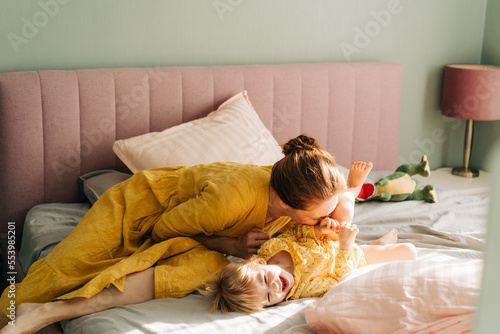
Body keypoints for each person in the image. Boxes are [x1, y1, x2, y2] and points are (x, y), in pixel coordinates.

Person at [0, 134, 370, 334]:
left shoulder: (293, 191)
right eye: (320, 214)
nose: (325, 217)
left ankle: (53, 313)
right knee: (60, 273)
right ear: (292, 205)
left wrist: (348, 195)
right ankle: (29, 308)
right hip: (141, 211)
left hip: (192, 234)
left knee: (202, 270)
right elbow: (164, 229)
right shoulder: (232, 197)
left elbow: (342, 208)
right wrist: (233, 244)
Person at [203, 220, 416, 314]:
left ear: (260, 262)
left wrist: (318, 230)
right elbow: (341, 277)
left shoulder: (271, 248)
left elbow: (296, 233)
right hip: (353, 257)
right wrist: (346, 246)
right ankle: (377, 246)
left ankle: (354, 191)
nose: (276, 289)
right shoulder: (301, 289)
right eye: (269, 299)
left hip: (332, 241)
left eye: (266, 280)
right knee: (410, 252)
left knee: (344, 207)